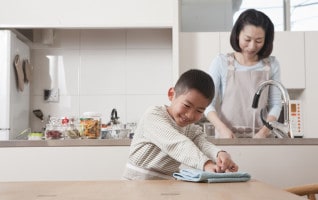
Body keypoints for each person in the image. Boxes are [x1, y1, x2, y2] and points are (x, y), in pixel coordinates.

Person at [123, 69, 238, 180]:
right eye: (187, 106)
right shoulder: (153, 115)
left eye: (199, 111)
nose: (190, 115)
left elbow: (203, 144)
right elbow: (177, 144)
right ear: (171, 94)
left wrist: (219, 154)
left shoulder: (191, 129)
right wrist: (206, 164)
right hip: (136, 183)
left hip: (167, 185)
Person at [205, 9, 282, 139]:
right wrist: (222, 129)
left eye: (258, 41)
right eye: (247, 39)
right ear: (237, 35)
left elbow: (276, 104)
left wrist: (263, 132)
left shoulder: (272, 65)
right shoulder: (221, 63)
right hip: (227, 137)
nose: (252, 46)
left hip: (261, 137)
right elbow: (207, 103)